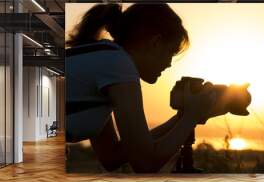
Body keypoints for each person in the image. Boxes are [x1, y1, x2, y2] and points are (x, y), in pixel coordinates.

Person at [66, 3, 221, 173]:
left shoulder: (103, 58)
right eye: (170, 52)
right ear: (156, 42)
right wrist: (192, 116)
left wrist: (181, 119)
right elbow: (145, 164)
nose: (169, 64)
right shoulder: (119, 65)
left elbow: (111, 156)